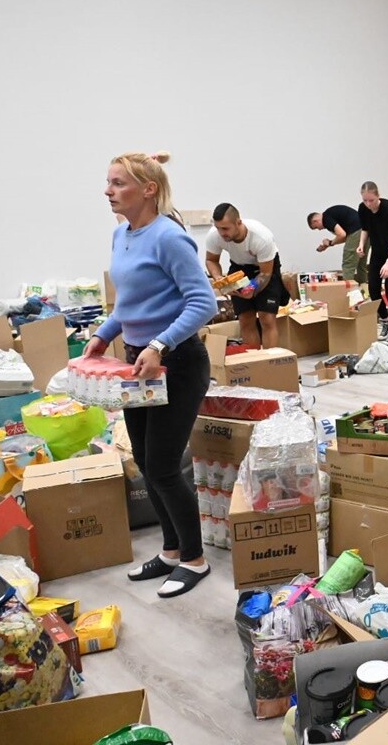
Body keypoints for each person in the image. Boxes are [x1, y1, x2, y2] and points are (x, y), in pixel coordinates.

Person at [86, 152, 218, 598]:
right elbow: (129, 304)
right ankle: (171, 551)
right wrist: (104, 334)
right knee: (145, 462)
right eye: (108, 182)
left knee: (163, 466)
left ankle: (195, 560)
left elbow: (203, 303)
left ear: (148, 189)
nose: (108, 191)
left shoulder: (169, 237)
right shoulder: (121, 235)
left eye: (118, 183)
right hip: (138, 362)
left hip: (176, 362)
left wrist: (160, 344)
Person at [205, 204, 288, 349]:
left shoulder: (261, 237)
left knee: (266, 318)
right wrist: (218, 277)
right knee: (245, 319)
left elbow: (265, 273)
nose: (222, 233)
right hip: (239, 266)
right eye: (218, 228)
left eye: (225, 228)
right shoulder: (214, 235)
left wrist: (252, 288)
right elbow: (211, 260)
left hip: (265, 267)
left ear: (238, 222)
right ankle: (253, 359)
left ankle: (269, 360)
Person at [357, 181, 388, 343]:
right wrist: (361, 245)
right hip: (377, 251)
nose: (368, 204)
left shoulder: (387, 211)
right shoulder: (363, 209)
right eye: (365, 200)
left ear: (378, 196)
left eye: (371, 200)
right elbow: (365, 229)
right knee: (373, 289)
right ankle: (385, 319)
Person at [307, 205, 368, 285]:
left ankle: (348, 290)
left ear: (315, 221)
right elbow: (345, 237)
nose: (319, 229)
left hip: (356, 231)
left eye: (316, 227)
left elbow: (342, 234)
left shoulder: (326, 218)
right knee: (361, 263)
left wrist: (330, 243)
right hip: (366, 230)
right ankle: (364, 287)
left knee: (348, 264)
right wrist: (329, 243)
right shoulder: (331, 214)